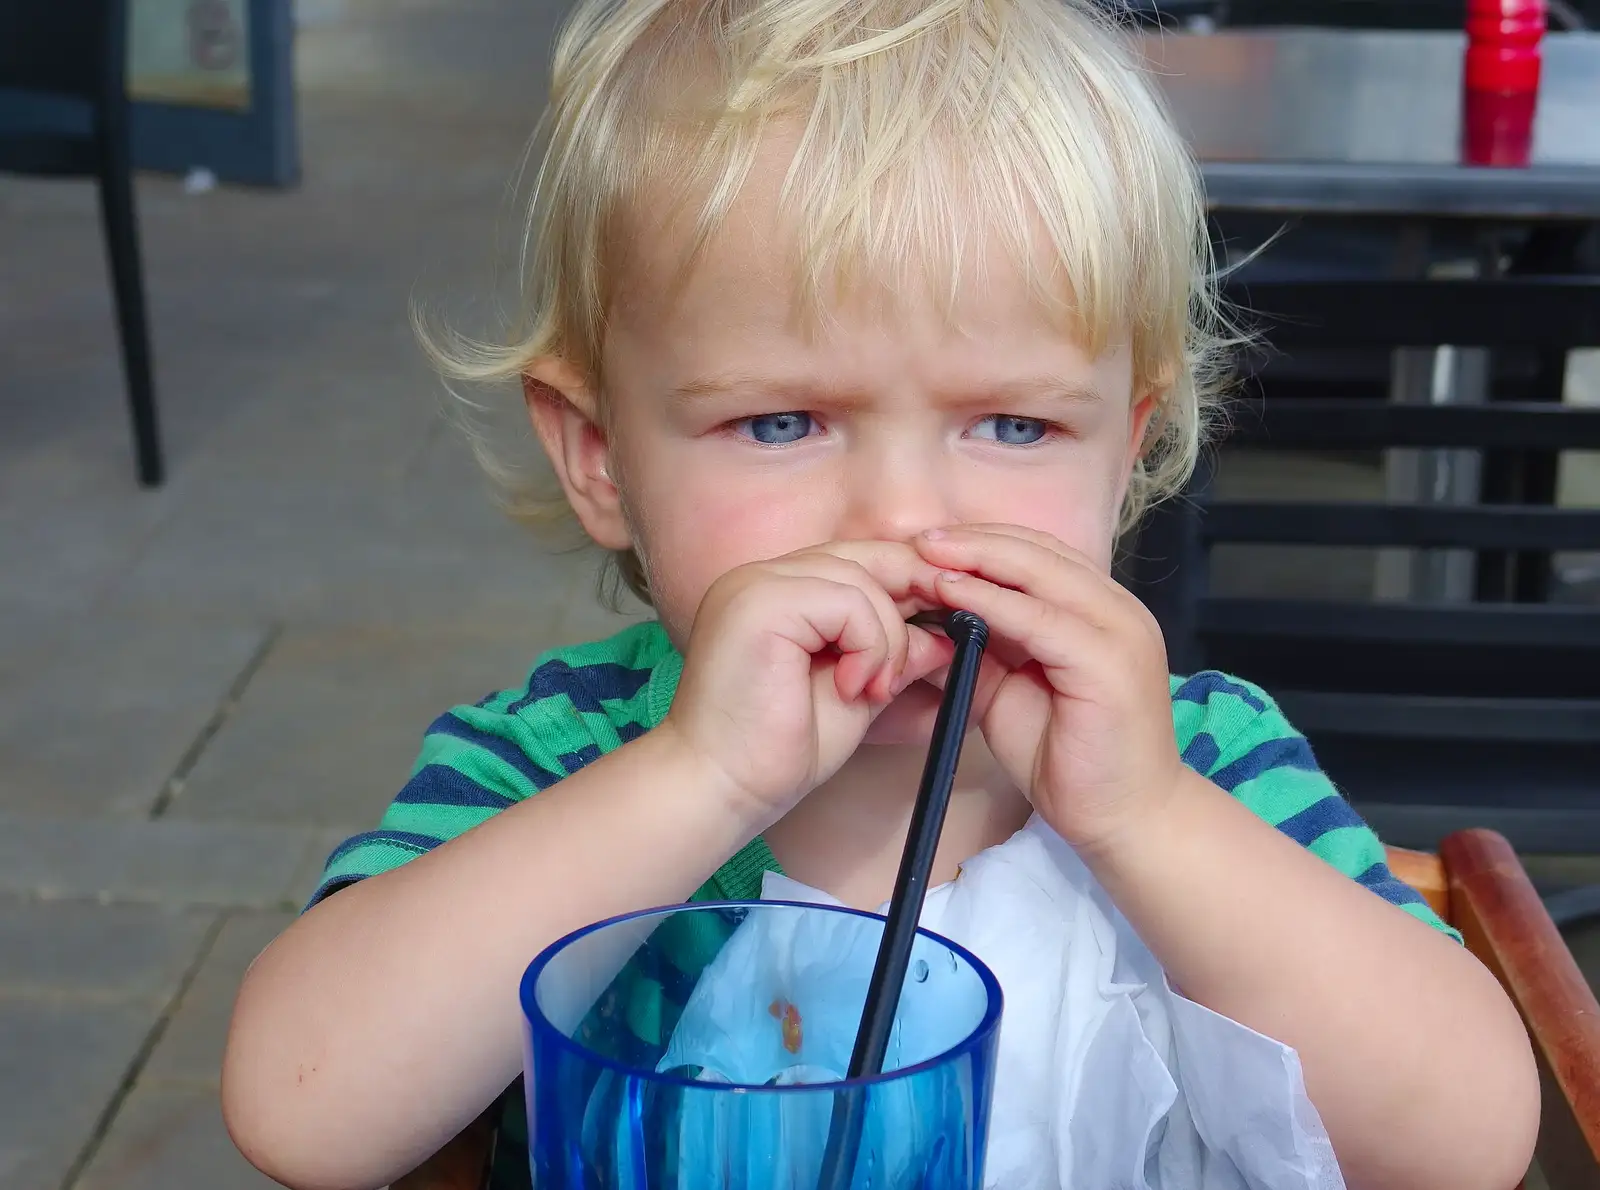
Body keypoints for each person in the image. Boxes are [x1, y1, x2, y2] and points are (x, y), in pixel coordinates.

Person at [221, 1, 1540, 1187]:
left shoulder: (1201, 761)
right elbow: (302, 1107)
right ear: (602, 456)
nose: (907, 520)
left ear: (1124, 450)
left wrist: (1147, 816)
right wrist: (699, 780)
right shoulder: (566, 758)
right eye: (783, 421)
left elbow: (1469, 1140)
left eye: (1015, 427)